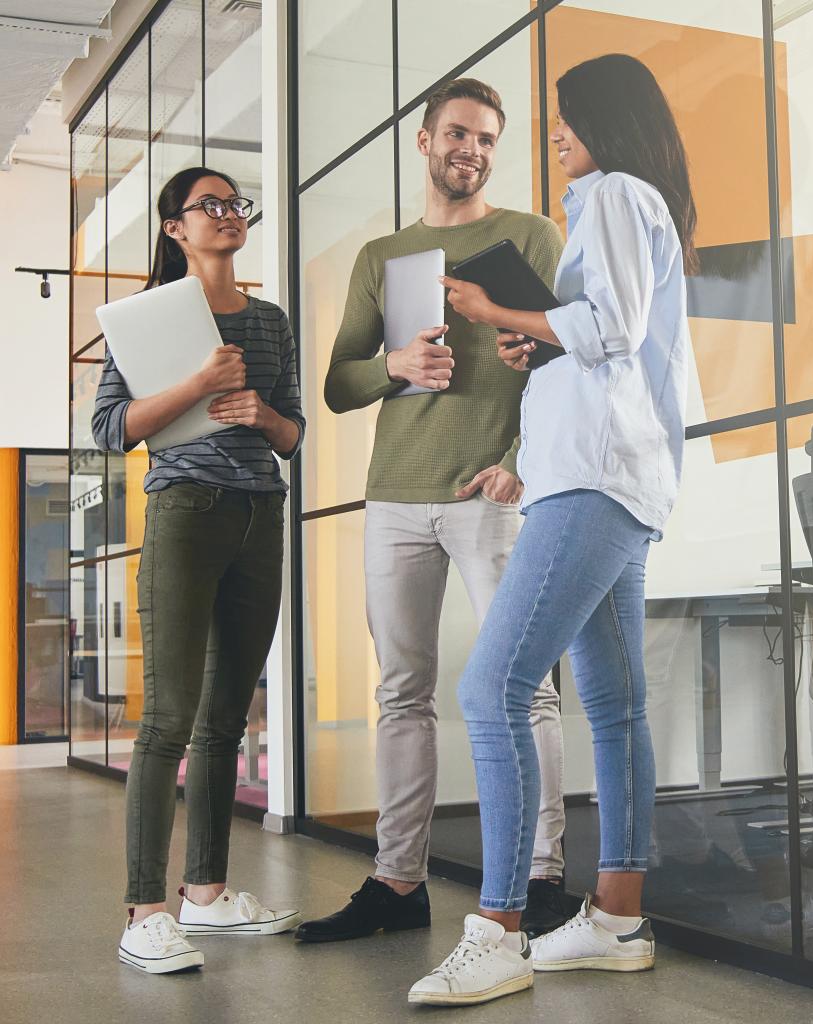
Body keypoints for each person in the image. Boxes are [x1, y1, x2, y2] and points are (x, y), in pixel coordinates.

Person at [409, 53, 698, 1006]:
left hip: (595, 481)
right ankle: (617, 916)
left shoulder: (611, 192)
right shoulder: (642, 203)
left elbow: (610, 324)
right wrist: (541, 334)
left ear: (603, 120)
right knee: (613, 708)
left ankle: (496, 928)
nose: (556, 134)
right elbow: (608, 337)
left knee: (492, 688)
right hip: (622, 475)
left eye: (564, 117)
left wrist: (494, 307)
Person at [296, 79, 569, 946]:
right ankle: (397, 882)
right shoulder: (385, 255)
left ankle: (543, 880)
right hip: (395, 498)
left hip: (489, 494)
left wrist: (519, 465)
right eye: (459, 134)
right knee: (401, 694)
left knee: (525, 692)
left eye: (488, 139)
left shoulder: (530, 236)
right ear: (424, 141)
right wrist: (397, 367)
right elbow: (338, 382)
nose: (474, 151)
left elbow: (569, 359)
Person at [92, 167, 306, 974]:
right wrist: (200, 383)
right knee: (169, 719)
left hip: (260, 516)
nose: (227, 215)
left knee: (226, 721)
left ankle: (207, 897)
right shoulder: (144, 321)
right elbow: (111, 428)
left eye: (234, 204)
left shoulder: (272, 322)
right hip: (185, 512)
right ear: (174, 227)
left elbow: (293, 434)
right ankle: (145, 909)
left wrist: (264, 413)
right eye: (209, 206)